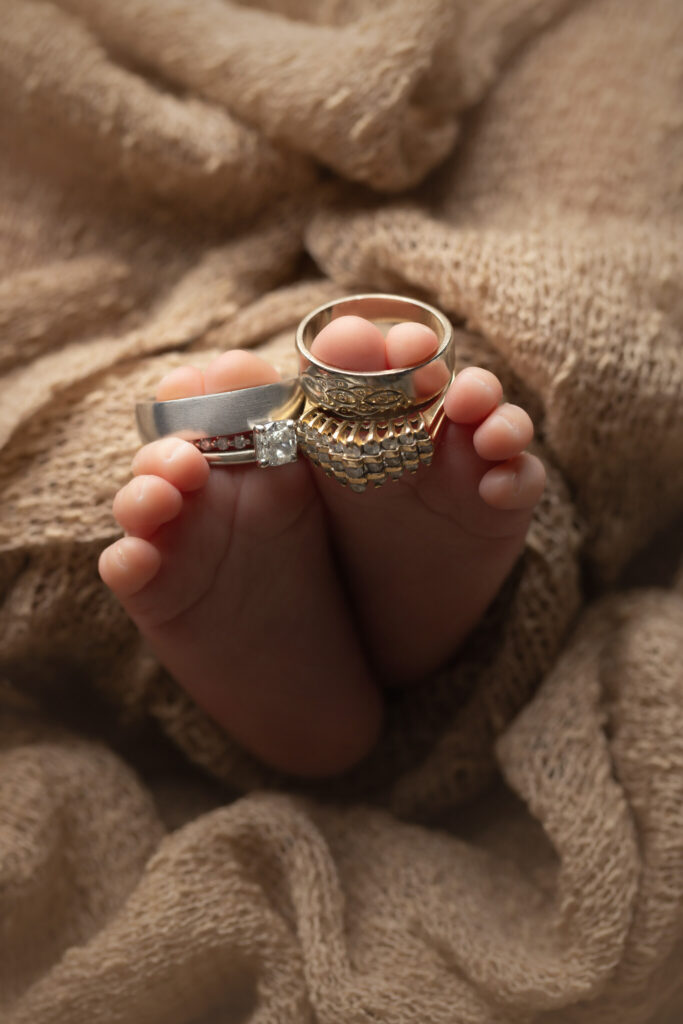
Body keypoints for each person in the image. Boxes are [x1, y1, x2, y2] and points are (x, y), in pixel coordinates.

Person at [98, 314, 545, 777]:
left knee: (364, 354)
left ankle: (365, 626)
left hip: (283, 415)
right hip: (312, 415)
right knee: (414, 367)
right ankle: (401, 605)